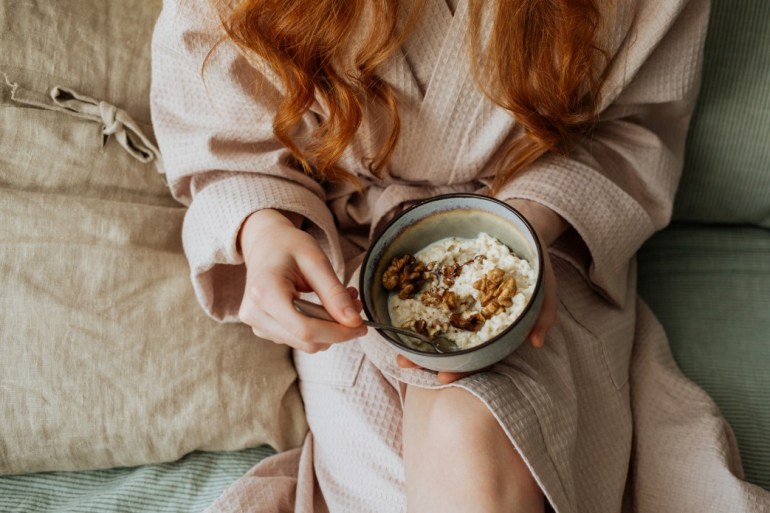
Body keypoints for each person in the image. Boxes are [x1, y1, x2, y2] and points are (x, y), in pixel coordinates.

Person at [149, 1, 736, 512]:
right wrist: (263, 229)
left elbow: (632, 131)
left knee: (475, 430)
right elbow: (222, 137)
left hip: (543, 238)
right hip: (353, 268)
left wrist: (519, 229)